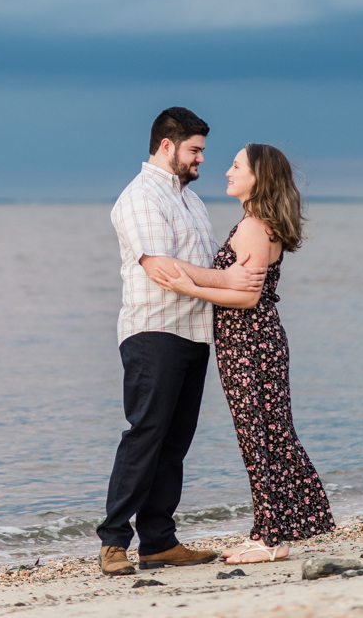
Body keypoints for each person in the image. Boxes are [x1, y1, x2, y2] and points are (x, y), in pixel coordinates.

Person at [96, 108, 268, 577]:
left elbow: (192, 269)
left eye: (203, 152)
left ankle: (158, 541)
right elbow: (161, 268)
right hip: (154, 330)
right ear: (167, 146)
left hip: (195, 333)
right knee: (146, 434)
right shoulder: (140, 198)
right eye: (195, 151)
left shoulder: (191, 201)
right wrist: (228, 276)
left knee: (175, 443)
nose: (201, 160)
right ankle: (113, 542)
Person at [154, 143, 335, 563]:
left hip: (250, 340)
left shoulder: (254, 226)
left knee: (259, 436)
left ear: (260, 177)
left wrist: (186, 286)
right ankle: (277, 531)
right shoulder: (259, 222)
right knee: (270, 432)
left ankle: (268, 538)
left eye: (237, 166)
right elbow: (242, 288)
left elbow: (247, 297)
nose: (227, 172)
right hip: (256, 340)